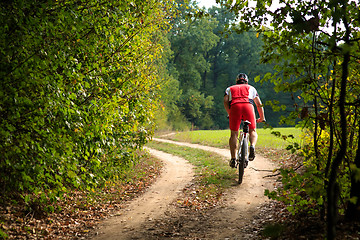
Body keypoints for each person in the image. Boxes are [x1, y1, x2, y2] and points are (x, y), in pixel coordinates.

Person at [223, 73, 265, 168]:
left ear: (236, 81)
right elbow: (259, 104)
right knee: (252, 130)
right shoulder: (251, 88)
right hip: (248, 106)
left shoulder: (229, 89)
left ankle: (233, 159)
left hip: (235, 107)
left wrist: (229, 112)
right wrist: (262, 117)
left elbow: (225, 101)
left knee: (234, 134)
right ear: (246, 81)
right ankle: (252, 146)